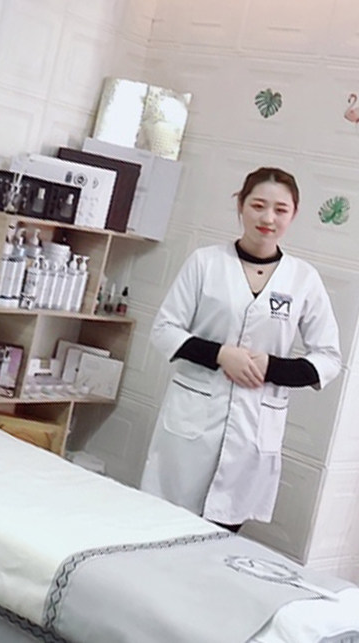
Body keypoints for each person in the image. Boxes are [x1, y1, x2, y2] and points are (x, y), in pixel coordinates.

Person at [140, 167, 341, 533]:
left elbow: (328, 358)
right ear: (241, 205)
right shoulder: (205, 262)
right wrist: (220, 355)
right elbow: (165, 330)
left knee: (220, 537)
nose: (268, 218)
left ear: (294, 214)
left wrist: (272, 367)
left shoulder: (303, 279)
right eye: (258, 205)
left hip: (252, 433)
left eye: (280, 209)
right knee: (163, 529)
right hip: (191, 426)